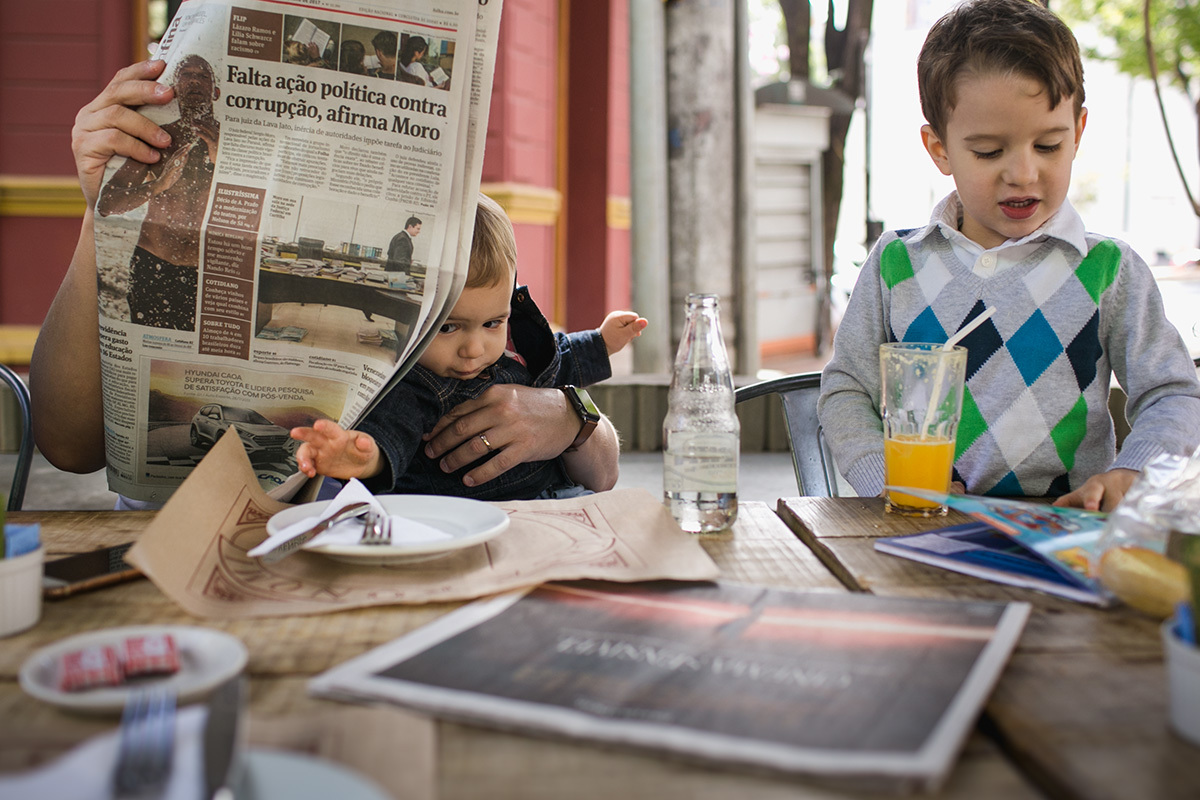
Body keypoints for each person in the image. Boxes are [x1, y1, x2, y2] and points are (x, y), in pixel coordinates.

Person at [30, 59, 617, 500]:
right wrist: (101, 204)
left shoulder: (464, 254)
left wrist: (573, 416)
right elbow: (68, 446)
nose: (475, 341)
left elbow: (591, 434)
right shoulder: (156, 147)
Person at [817, 0, 1200, 512]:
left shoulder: (1108, 270)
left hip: (1066, 535)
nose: (1022, 173)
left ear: (1078, 134)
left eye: (1048, 146)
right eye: (989, 152)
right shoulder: (897, 263)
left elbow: (1173, 394)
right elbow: (846, 389)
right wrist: (882, 475)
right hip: (918, 527)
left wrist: (1134, 472)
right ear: (940, 149)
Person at [291, 193, 646, 499]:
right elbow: (392, 429)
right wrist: (365, 458)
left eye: (492, 322)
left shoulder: (517, 343)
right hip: (463, 514)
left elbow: (560, 357)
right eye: (448, 327)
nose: (474, 349)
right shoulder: (418, 380)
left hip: (556, 495)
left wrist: (601, 342)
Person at [95, 54, 219, 331]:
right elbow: (107, 203)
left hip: (209, 272)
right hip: (154, 264)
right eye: (186, 74)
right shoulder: (159, 137)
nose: (195, 80)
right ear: (174, 88)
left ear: (215, 90)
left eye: (203, 75)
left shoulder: (231, 144)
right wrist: (158, 185)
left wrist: (223, 162)